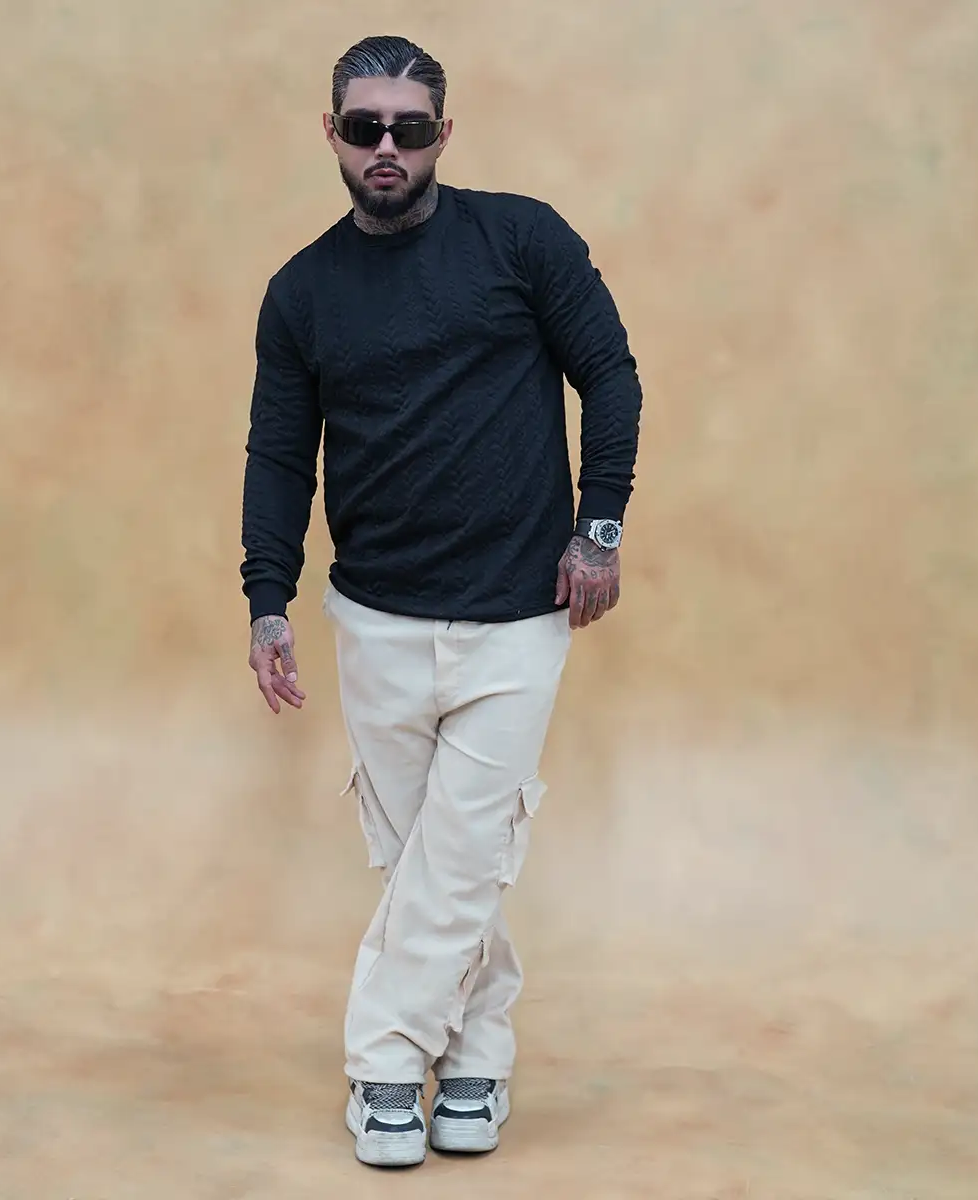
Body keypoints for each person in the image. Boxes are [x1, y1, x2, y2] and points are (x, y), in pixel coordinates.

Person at [239, 34, 643, 1168]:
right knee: (430, 861)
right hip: (375, 619)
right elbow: (280, 456)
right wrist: (268, 598)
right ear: (332, 134)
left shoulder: (522, 239)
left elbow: (610, 374)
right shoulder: (301, 292)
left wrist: (600, 528)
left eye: (409, 128)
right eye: (365, 126)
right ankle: (476, 1058)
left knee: (460, 848)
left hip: (519, 612)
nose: (387, 146)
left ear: (442, 136)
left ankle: (381, 1065)